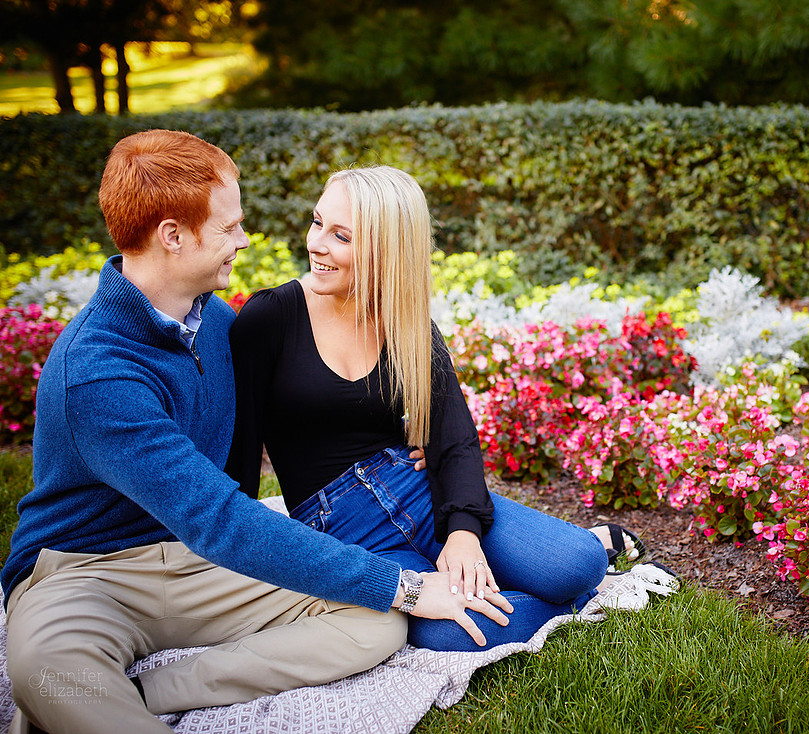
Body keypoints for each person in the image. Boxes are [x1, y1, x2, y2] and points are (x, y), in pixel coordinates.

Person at [0, 132, 500, 734]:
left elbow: (294, 419)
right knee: (46, 674)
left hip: (199, 564)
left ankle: (157, 688)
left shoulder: (217, 323)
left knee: (376, 619)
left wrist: (396, 443)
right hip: (87, 575)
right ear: (173, 235)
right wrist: (411, 587)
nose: (245, 239)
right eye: (230, 227)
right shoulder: (97, 373)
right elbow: (221, 518)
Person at [227, 165, 651, 652]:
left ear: (385, 249)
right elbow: (240, 452)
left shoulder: (406, 323)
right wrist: (235, 555)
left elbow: (454, 437)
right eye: (317, 222)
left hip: (422, 491)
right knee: (447, 632)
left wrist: (464, 533)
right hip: (340, 530)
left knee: (577, 563)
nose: (316, 243)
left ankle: (566, 580)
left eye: (340, 236)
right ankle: (575, 604)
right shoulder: (269, 317)